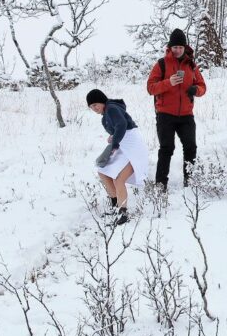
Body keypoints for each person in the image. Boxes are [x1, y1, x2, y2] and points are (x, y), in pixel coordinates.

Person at [146, 28, 206, 191]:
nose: (178, 50)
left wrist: (195, 90)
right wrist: (168, 82)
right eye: (175, 47)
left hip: (186, 114)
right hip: (165, 114)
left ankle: (190, 182)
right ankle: (160, 185)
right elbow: (150, 88)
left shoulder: (191, 65)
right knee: (166, 149)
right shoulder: (161, 64)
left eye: (180, 47)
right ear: (170, 47)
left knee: (191, 148)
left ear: (185, 47)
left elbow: (202, 87)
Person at [87, 89, 150, 225]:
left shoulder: (111, 109)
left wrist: (115, 142)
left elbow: (122, 124)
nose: (94, 108)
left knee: (119, 179)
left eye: (95, 104)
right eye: (91, 107)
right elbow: (119, 126)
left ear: (102, 100)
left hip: (133, 148)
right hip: (124, 145)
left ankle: (123, 212)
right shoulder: (108, 111)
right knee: (103, 171)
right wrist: (113, 136)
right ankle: (115, 204)